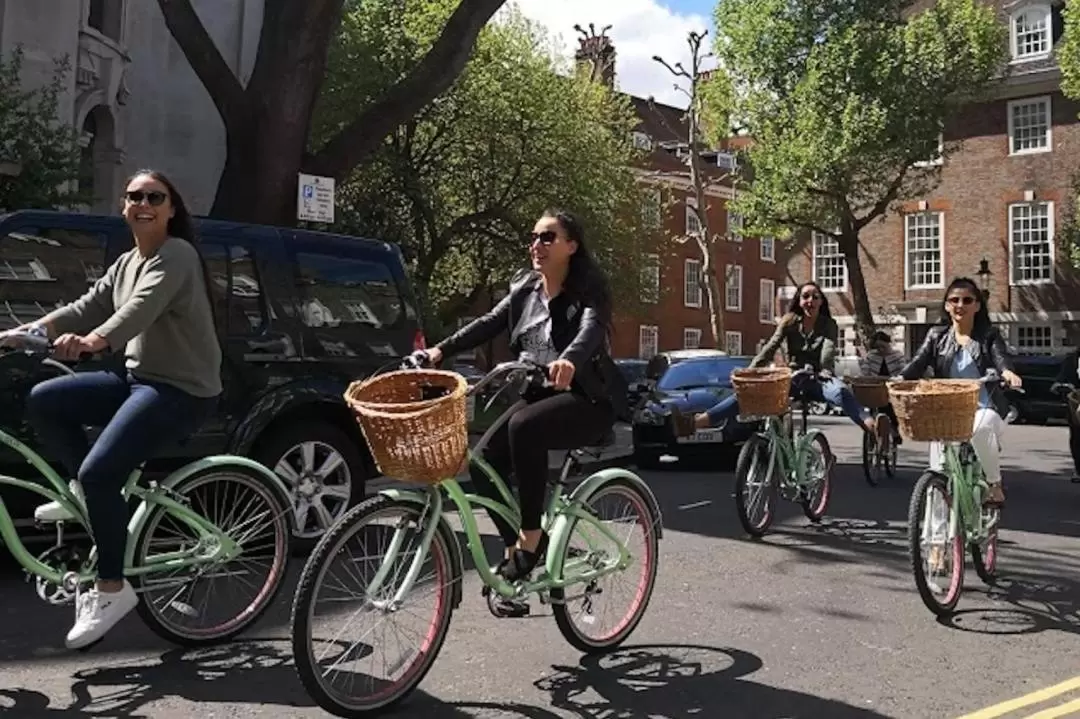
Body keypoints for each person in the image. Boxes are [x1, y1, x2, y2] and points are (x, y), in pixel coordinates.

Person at [0, 170, 222, 649]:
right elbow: (87, 304)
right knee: (45, 401)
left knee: (103, 471)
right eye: (134, 197)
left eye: (154, 197)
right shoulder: (126, 262)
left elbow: (138, 310)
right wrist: (24, 331)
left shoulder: (176, 255)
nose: (143, 203)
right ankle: (87, 493)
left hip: (182, 390)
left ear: (170, 210)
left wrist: (95, 341)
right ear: (123, 207)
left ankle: (111, 588)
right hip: (139, 379)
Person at [422, 209, 625, 615]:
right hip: (539, 395)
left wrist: (569, 360)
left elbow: (591, 330)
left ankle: (531, 538)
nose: (537, 245)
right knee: (481, 465)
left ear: (572, 246)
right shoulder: (525, 290)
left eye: (548, 237)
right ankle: (522, 549)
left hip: (589, 399)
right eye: (534, 237)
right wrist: (439, 350)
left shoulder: (589, 290)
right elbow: (488, 323)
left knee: (524, 426)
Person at [682, 281, 875, 435]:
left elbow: (828, 347)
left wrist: (825, 369)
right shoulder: (789, 321)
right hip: (793, 376)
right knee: (747, 395)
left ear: (821, 302)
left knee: (840, 392)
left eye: (815, 297)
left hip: (819, 378)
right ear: (799, 301)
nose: (810, 301)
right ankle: (697, 422)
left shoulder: (828, 324)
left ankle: (871, 426)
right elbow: (771, 345)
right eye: (805, 296)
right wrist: (751, 369)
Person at [897, 277, 1021, 505]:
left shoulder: (988, 335)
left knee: (980, 429)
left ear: (977, 305)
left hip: (985, 406)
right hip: (948, 409)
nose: (960, 305)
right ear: (946, 305)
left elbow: (1001, 358)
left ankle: (994, 485)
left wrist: (1007, 373)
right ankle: (934, 536)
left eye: (967, 300)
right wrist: (900, 379)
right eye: (954, 300)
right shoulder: (937, 335)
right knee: (937, 472)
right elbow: (917, 362)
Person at [859, 330, 905, 446]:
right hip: (875, 387)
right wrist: (864, 378)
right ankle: (872, 433)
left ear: (888, 343)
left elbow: (903, 370)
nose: (881, 350)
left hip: (891, 387)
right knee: (872, 407)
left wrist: (897, 379)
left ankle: (895, 432)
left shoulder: (897, 355)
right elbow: (865, 370)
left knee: (891, 409)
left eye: (883, 346)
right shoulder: (872, 356)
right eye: (878, 347)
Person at [1051, 345, 1080, 483]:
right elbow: (1061, 378)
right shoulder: (1072, 360)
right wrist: (1059, 385)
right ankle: (1079, 469)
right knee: (1077, 436)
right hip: (1077, 403)